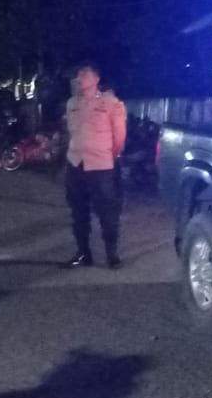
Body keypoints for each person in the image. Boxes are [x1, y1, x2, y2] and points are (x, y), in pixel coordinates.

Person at [62, 63, 127, 269]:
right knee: (78, 211)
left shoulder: (111, 103)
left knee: (107, 211)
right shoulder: (72, 103)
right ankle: (83, 253)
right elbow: (71, 131)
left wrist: (109, 155)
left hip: (101, 166)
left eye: (85, 74)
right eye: (79, 75)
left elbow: (119, 137)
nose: (80, 78)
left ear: (96, 79)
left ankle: (112, 254)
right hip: (76, 162)